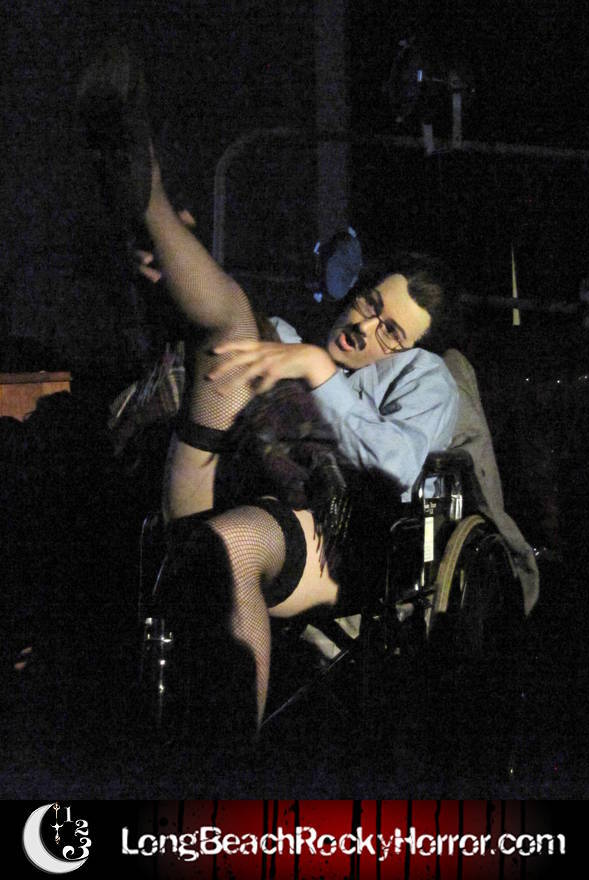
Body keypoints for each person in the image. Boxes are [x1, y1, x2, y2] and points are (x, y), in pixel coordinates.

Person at [77, 43, 458, 739]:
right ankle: (148, 202)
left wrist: (319, 373)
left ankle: (227, 766)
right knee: (230, 325)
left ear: (410, 347)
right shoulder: (286, 337)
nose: (367, 328)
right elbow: (212, 355)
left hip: (328, 528)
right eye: (371, 304)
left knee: (231, 547)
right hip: (215, 472)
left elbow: (398, 465)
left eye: (391, 331)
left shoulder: (423, 376)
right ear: (355, 289)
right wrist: (168, 280)